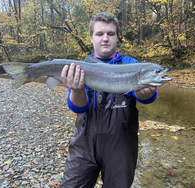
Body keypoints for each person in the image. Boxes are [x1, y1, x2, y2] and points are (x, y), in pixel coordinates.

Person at [59, 12, 157, 188]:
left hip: (121, 146)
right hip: (84, 144)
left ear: (117, 37)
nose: (105, 38)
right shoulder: (79, 68)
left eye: (111, 34)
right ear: (91, 38)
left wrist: (146, 94)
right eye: (99, 34)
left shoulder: (131, 65)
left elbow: (147, 97)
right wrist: (77, 88)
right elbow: (78, 108)